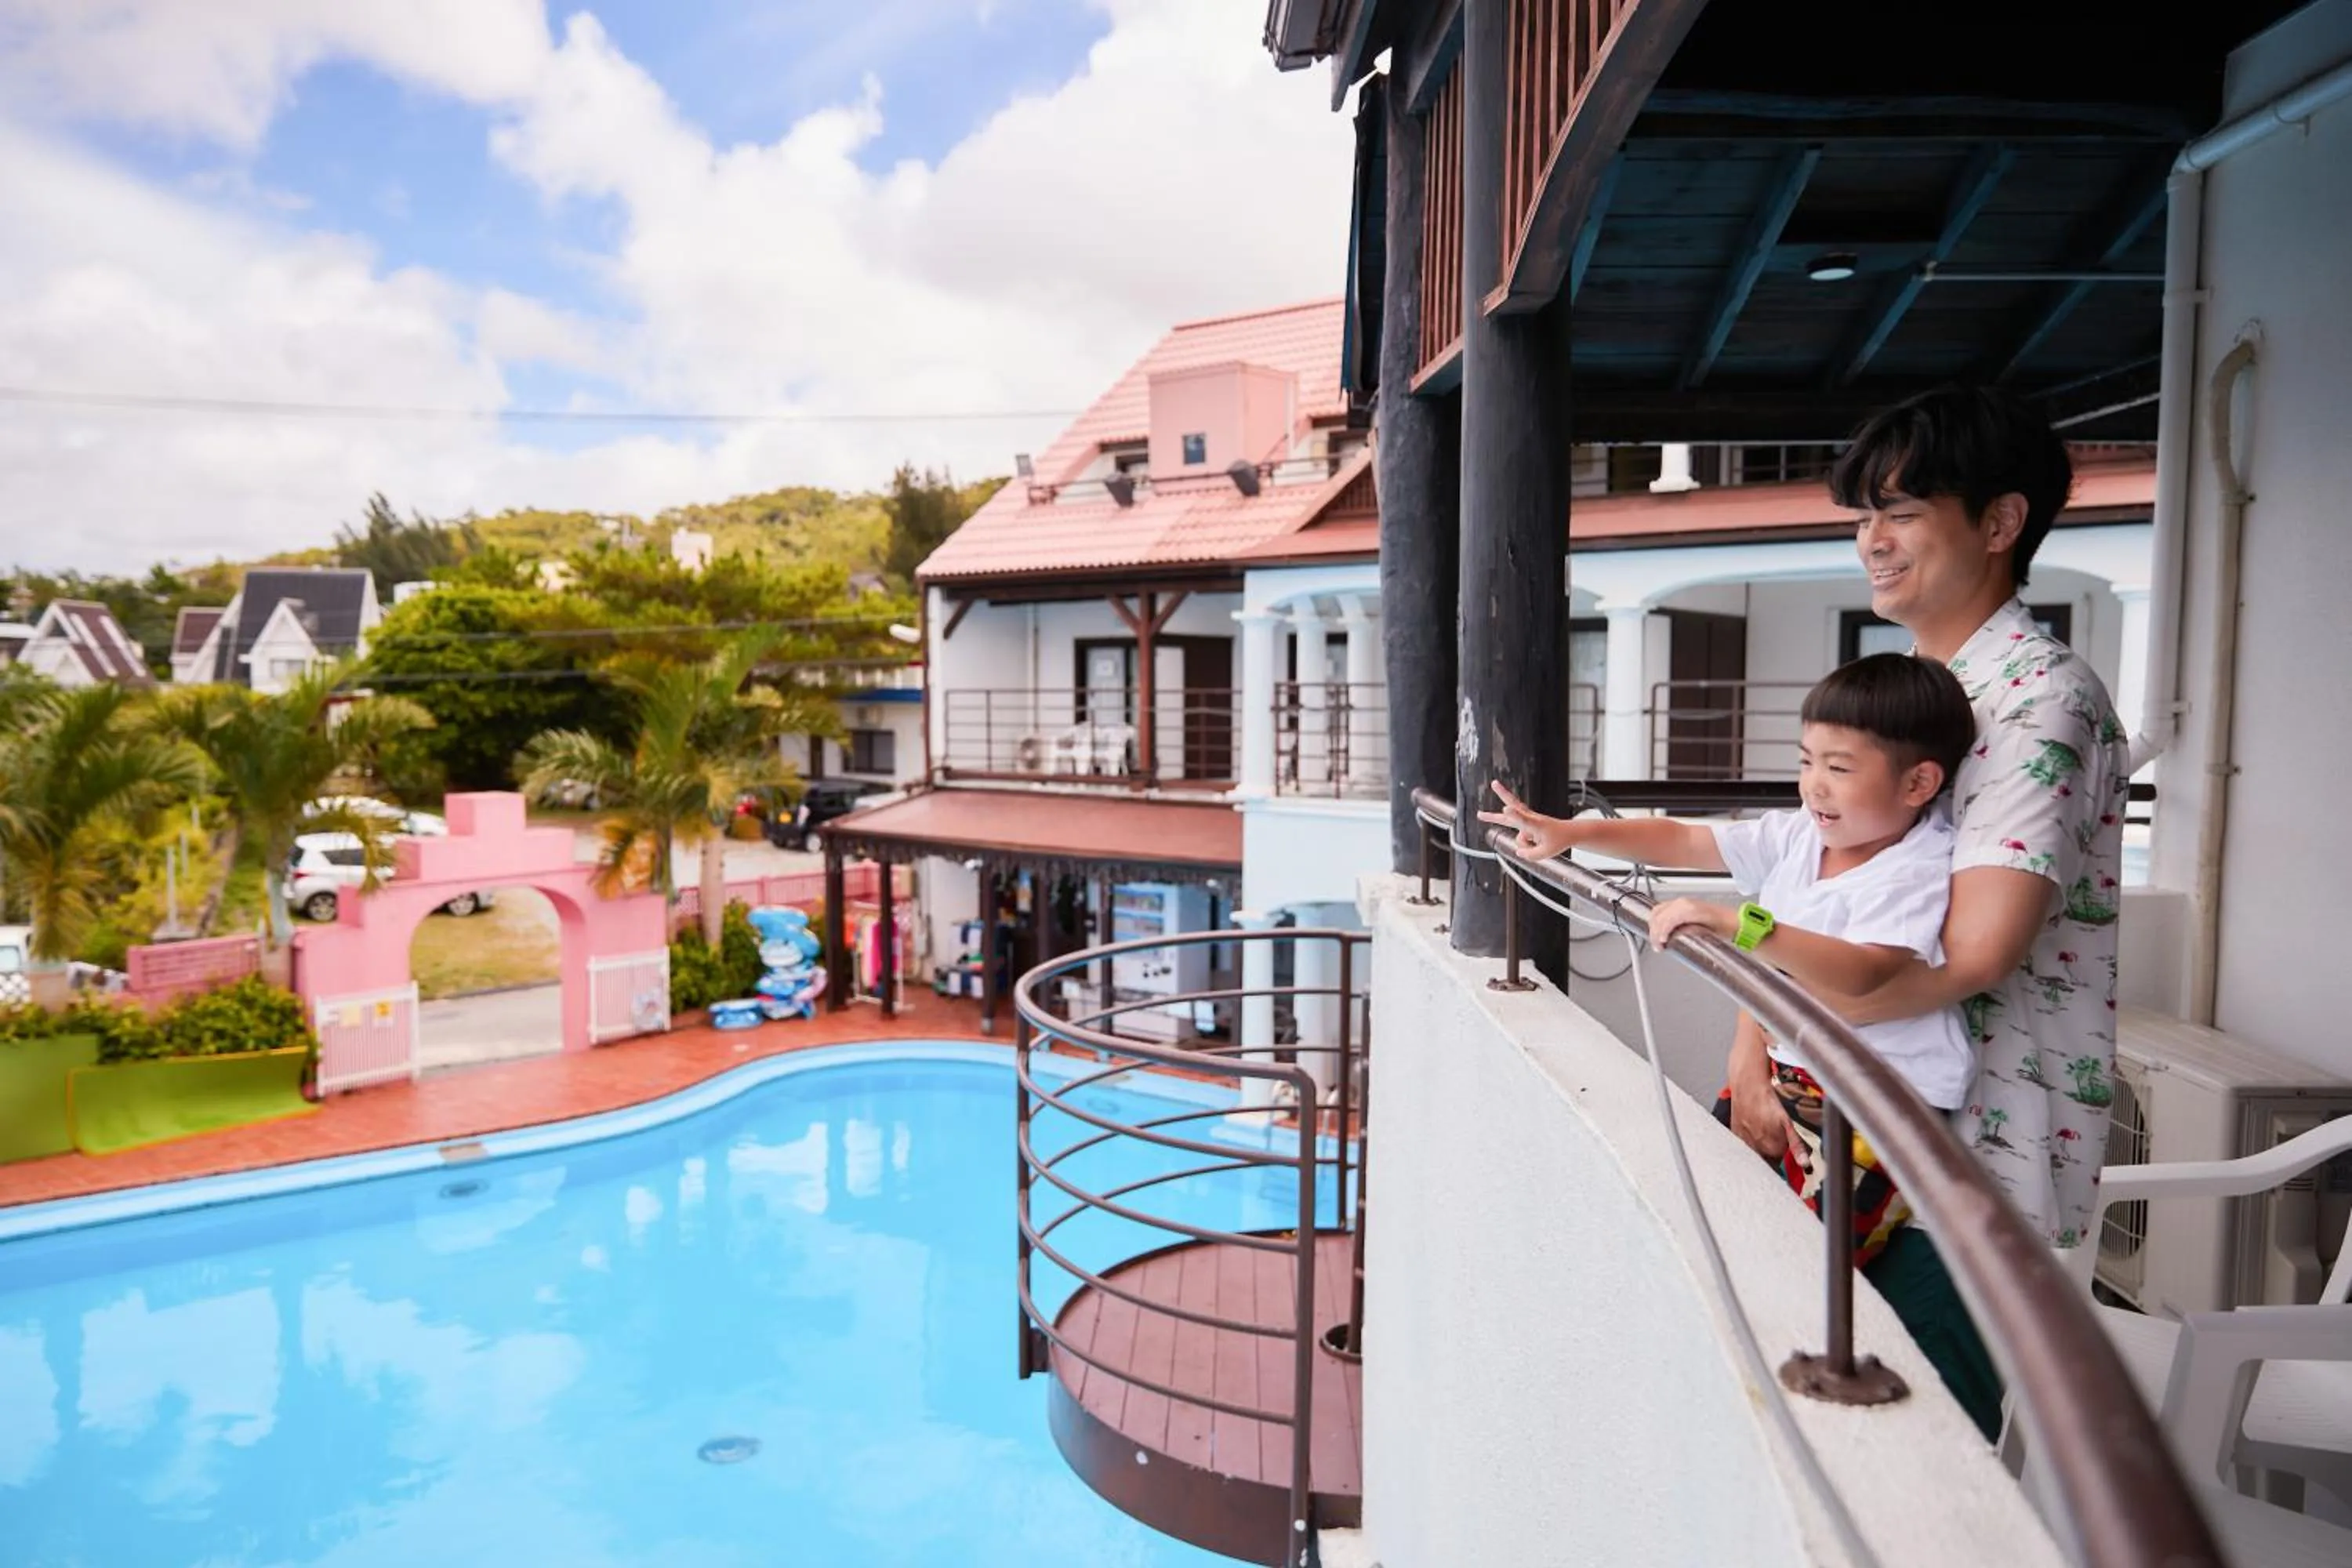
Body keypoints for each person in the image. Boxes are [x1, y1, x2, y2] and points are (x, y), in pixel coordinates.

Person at [1482, 652, 1980, 1269]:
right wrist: (1576, 835)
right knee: (1713, 1212)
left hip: (1878, 1103)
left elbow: (1864, 971)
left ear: (1918, 784)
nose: (1814, 785)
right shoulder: (1805, 834)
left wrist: (1743, 927)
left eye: (1840, 768)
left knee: (1804, 1267)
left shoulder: (1916, 866)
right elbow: (1690, 839)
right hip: (1790, 1066)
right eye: (1807, 761)